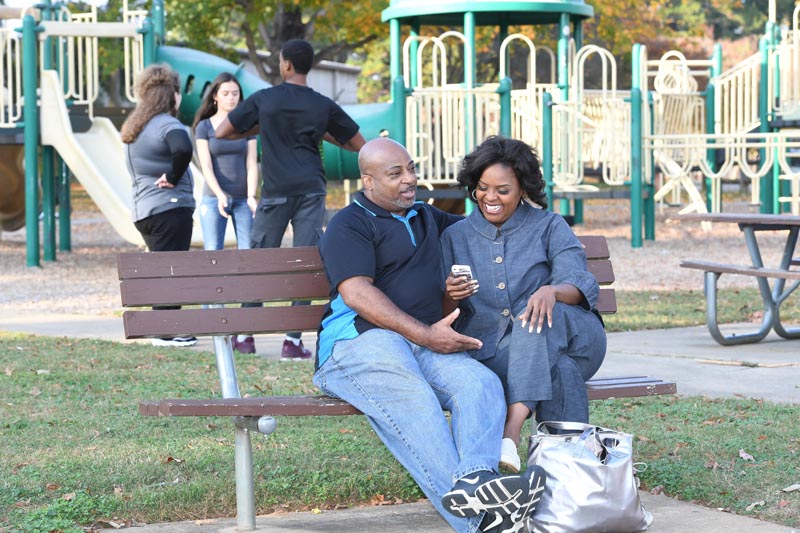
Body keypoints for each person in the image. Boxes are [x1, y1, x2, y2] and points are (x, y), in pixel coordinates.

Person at [314, 137, 546, 533]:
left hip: (423, 340)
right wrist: (425, 334)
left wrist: (524, 199)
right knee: (416, 399)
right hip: (359, 341)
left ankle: (475, 481)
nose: (410, 180)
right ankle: (481, 522)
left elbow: (490, 224)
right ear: (368, 182)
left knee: (481, 384)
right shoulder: (348, 224)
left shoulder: (427, 217)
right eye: (396, 173)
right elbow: (356, 293)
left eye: (411, 168)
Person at [441, 136, 607, 474]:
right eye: (482, 188)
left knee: (537, 314)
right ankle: (566, 479)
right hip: (497, 353)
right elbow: (445, 314)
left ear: (522, 189)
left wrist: (552, 291)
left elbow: (579, 284)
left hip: (576, 338)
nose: (490, 198)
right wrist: (450, 294)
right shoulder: (455, 237)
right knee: (560, 370)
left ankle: (511, 433)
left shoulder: (549, 226)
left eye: (502, 190)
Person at [216, 38, 365, 360]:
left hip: (276, 192)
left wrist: (264, 130)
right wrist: (318, 131)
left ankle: (245, 335)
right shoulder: (322, 105)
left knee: (259, 261)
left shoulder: (265, 99)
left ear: (285, 64)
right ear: (307, 66)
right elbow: (358, 144)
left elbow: (222, 131)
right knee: (308, 261)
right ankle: (293, 341)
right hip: (312, 188)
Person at [122, 63, 197, 348]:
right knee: (172, 269)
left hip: (144, 210)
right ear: (172, 95)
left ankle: (163, 327)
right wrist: (174, 175)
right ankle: (167, 331)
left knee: (162, 268)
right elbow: (183, 147)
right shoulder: (166, 123)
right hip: (169, 207)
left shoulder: (136, 124)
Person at [193, 72, 259, 354]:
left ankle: (245, 323)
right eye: (226, 93)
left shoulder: (249, 126)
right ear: (215, 96)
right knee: (213, 255)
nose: (232, 98)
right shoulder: (205, 126)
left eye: (236, 93)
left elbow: (252, 163)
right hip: (213, 199)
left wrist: (252, 195)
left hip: (244, 200)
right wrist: (220, 195)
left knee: (248, 256)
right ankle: (212, 319)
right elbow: (206, 166)